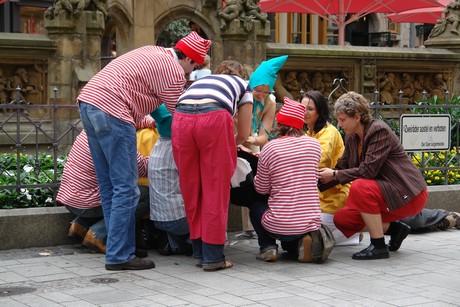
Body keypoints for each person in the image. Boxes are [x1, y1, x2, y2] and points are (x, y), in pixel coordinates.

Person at [77, 31, 211, 271]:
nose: (189, 74)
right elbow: (179, 115)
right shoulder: (174, 72)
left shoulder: (153, 51)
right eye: (193, 68)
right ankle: (119, 255)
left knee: (110, 186)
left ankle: (122, 246)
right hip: (114, 111)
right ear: (189, 60)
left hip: (88, 103)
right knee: (127, 189)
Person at [318, 91, 428, 260]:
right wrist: (315, 182)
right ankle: (396, 229)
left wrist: (334, 174)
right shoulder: (352, 137)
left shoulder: (378, 131)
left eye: (342, 119)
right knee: (342, 220)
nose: (339, 125)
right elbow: (343, 166)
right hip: (385, 194)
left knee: (360, 185)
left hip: (408, 193)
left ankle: (378, 245)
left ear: (356, 116)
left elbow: (368, 171)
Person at [171, 60, 253, 271]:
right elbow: (244, 134)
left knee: (192, 188)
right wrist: (227, 144)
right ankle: (214, 256)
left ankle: (199, 251)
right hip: (214, 118)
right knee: (214, 189)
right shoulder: (244, 85)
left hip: (181, 117)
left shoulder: (203, 81)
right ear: (242, 73)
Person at [57, 123, 157, 257]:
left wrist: (151, 121)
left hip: (70, 198)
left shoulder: (94, 126)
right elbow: (143, 169)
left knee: (110, 188)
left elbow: (134, 118)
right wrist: (163, 153)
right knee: (143, 195)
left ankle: (80, 225)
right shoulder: (119, 136)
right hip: (88, 204)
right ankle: (99, 233)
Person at [249, 97, 322, 262]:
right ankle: (300, 244)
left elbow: (261, 188)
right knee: (292, 240)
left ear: (280, 123)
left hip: (279, 223)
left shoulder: (270, 147)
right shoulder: (314, 145)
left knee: (256, 207)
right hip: (309, 222)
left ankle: (268, 247)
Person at [300, 90, 360, 246]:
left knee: (310, 239)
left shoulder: (329, 132)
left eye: (310, 109)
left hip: (333, 197)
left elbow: (319, 159)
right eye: (302, 108)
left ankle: (349, 234)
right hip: (316, 198)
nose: (305, 112)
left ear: (320, 111)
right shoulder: (309, 132)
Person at [238, 55, 288, 237]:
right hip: (231, 138)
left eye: (266, 92)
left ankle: (251, 228)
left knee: (251, 180)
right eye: (258, 90)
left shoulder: (270, 102)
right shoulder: (240, 93)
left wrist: (251, 140)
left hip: (251, 142)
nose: (261, 95)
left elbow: (263, 136)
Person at [148, 104, 190, 256]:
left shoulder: (157, 147)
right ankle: (192, 243)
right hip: (177, 219)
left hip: (157, 217)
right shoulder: (178, 149)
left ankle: (173, 241)